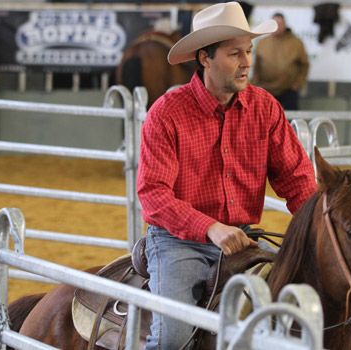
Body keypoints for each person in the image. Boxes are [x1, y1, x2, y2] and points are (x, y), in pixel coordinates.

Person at [136, 2, 317, 349]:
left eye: (249, 51)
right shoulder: (167, 113)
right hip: (178, 243)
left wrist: (319, 223)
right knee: (172, 338)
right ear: (205, 58)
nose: (247, 62)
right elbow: (153, 194)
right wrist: (211, 228)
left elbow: (296, 179)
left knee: (293, 322)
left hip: (244, 241)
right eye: (235, 53)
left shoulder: (265, 108)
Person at [251, 13, 309, 110]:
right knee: (265, 119)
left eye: (279, 23)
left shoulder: (296, 42)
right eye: (274, 24)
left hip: (288, 89)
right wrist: (255, 85)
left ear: (285, 25)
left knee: (291, 120)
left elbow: (304, 65)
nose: (276, 27)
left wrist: (298, 83)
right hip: (266, 88)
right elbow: (257, 66)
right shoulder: (263, 42)